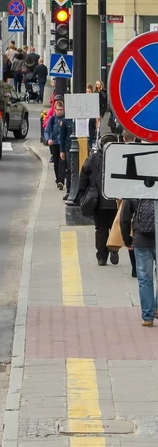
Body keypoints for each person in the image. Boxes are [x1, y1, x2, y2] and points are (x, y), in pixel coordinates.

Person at [77, 133, 120, 265]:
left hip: (98, 201)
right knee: (114, 227)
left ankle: (101, 257)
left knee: (100, 229)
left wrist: (83, 193)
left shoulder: (93, 158)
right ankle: (114, 249)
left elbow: (84, 174)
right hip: (115, 200)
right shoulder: (119, 158)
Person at [121, 198, 157, 325]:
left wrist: (127, 239)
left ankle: (148, 316)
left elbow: (124, 217)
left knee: (145, 279)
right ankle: (157, 307)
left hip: (141, 240)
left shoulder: (135, 187)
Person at [44, 99, 72, 191]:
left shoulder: (66, 120)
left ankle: (61, 181)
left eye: (61, 109)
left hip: (62, 144)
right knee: (56, 163)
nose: (60, 111)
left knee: (62, 163)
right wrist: (48, 139)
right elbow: (47, 130)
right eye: (58, 109)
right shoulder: (52, 119)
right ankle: (58, 179)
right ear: (55, 109)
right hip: (55, 143)